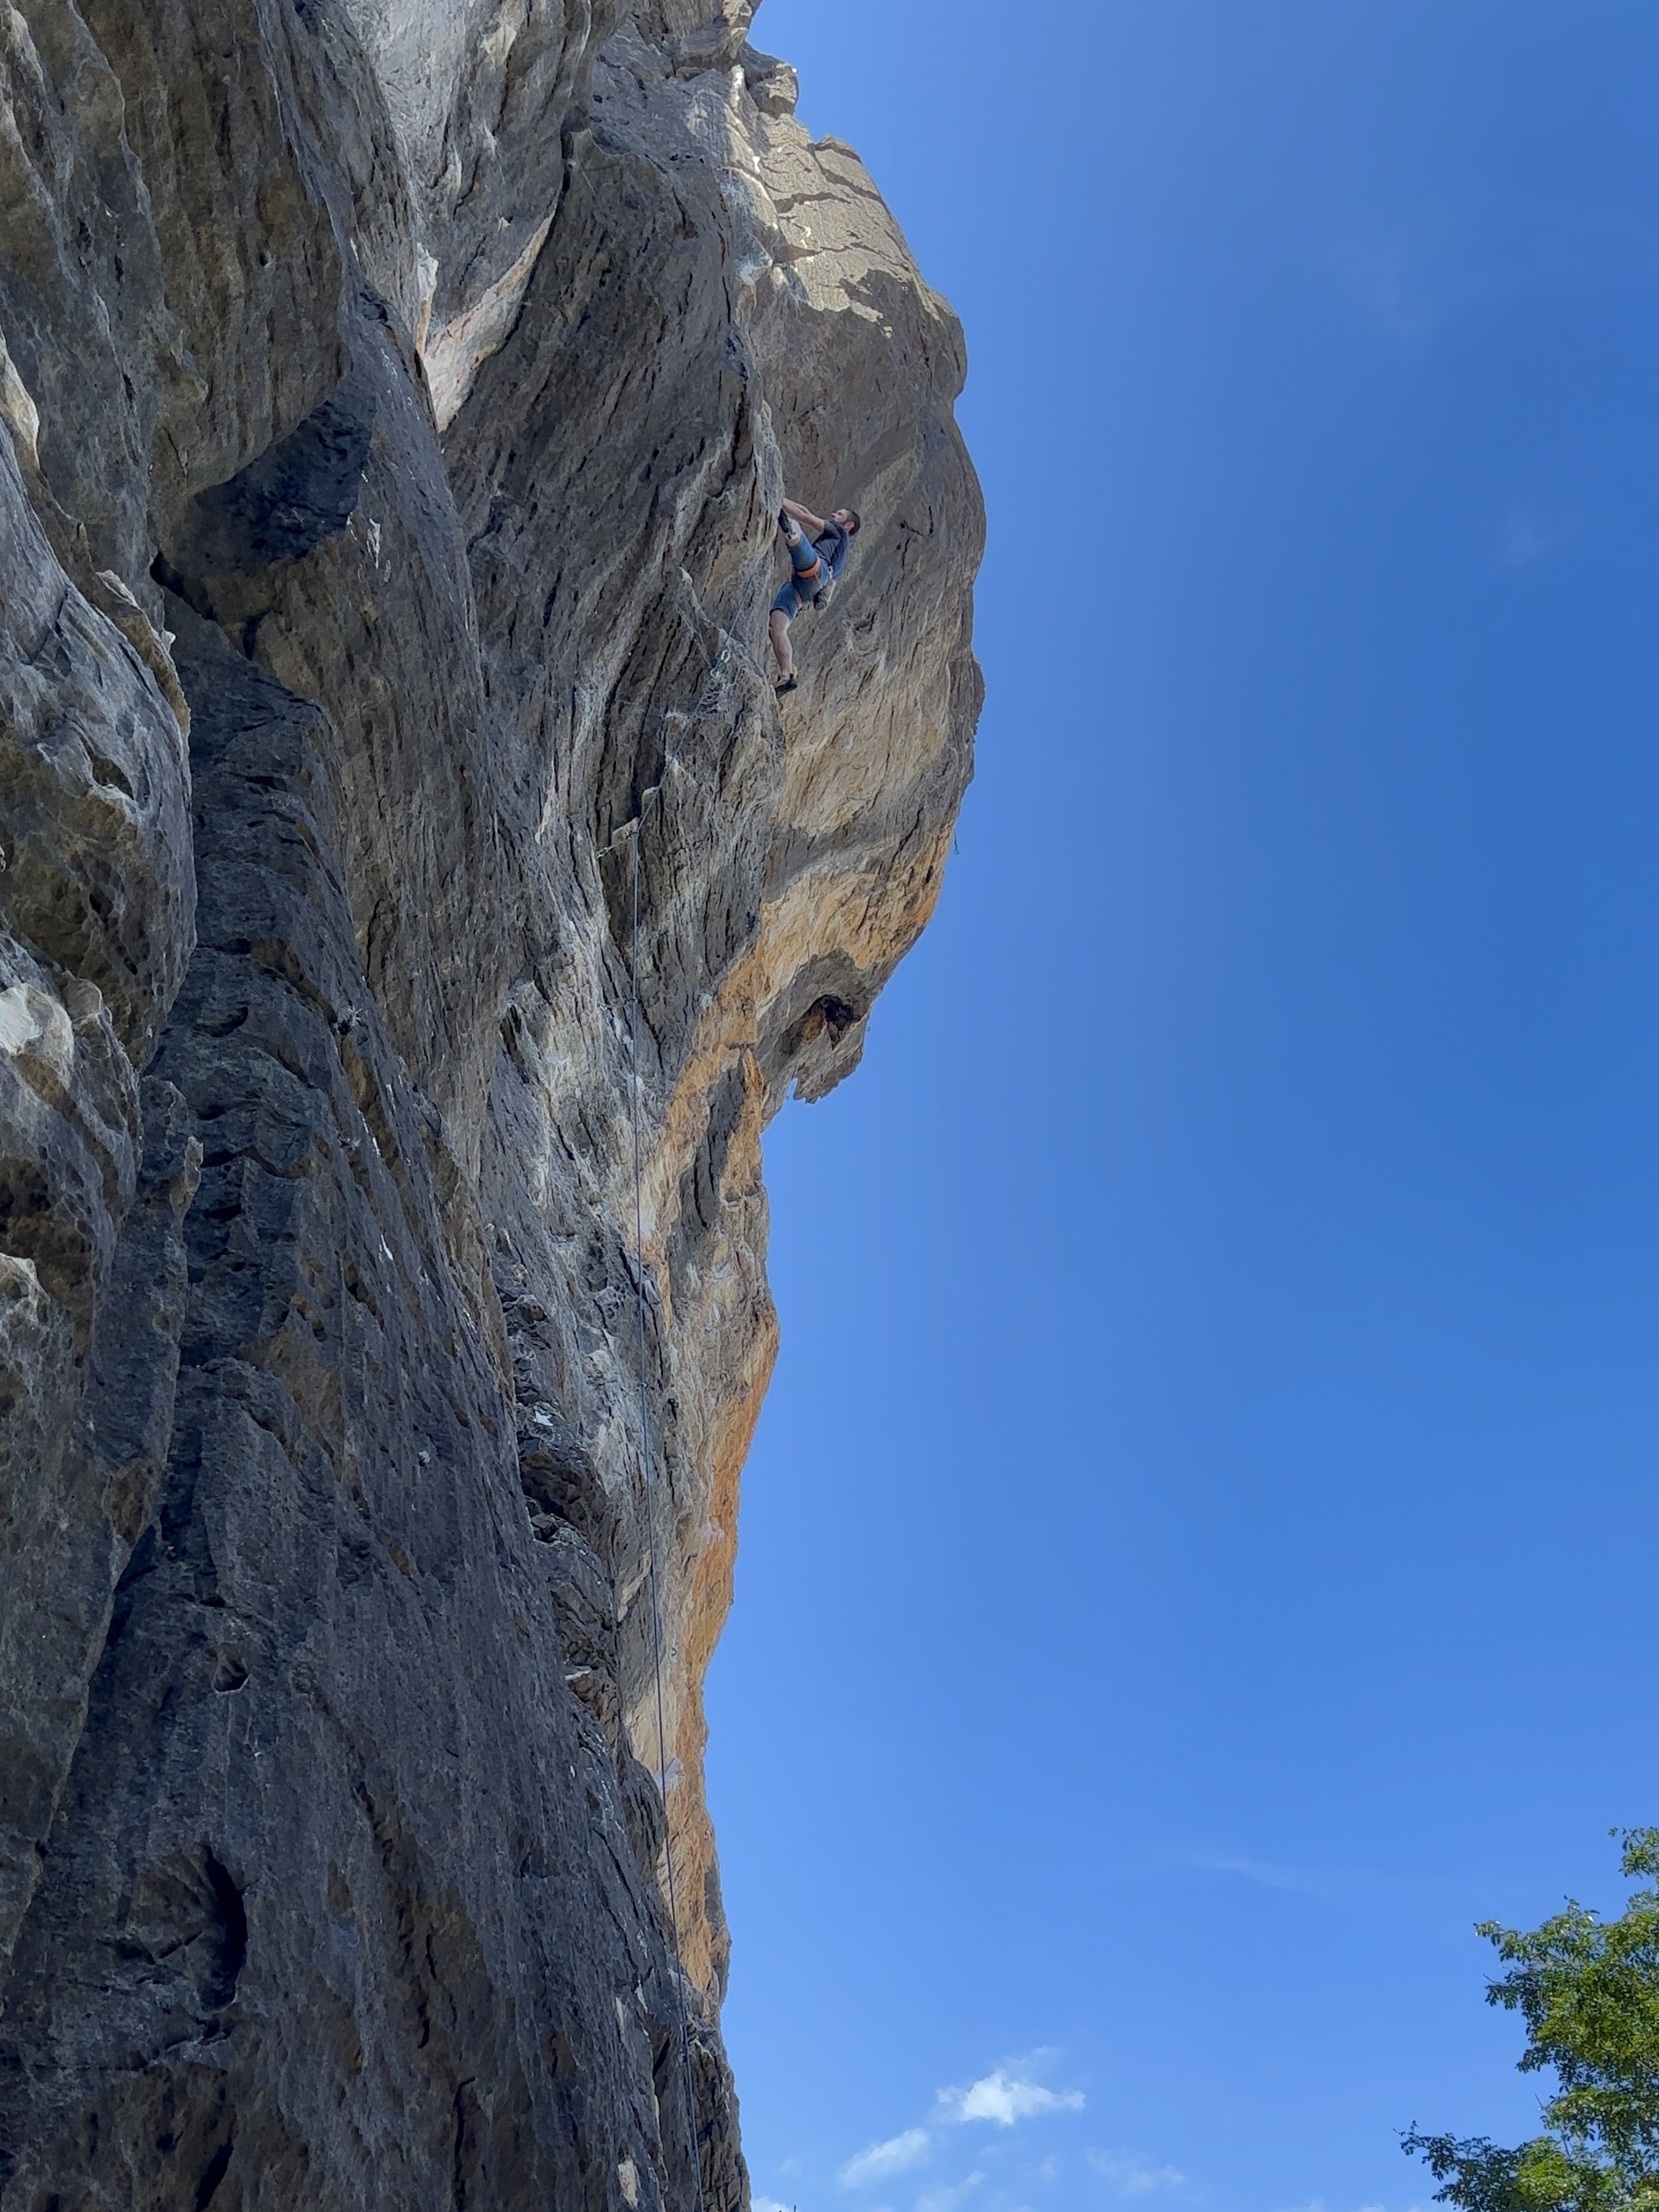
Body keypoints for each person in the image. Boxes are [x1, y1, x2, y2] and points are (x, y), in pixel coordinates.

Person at [769, 498, 860, 694]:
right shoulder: (841, 557)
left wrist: (779, 497)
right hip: (803, 588)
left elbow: (805, 513)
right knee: (777, 627)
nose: (834, 515)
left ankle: (792, 532)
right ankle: (786, 675)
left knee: (795, 529)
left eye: (840, 514)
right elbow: (829, 588)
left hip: (815, 570)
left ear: (848, 524)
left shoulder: (839, 532)